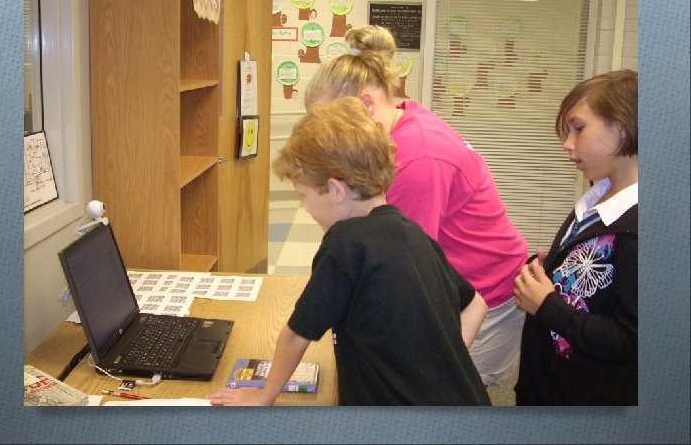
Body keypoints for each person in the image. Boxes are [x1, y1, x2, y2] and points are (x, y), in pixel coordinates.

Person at [207, 96, 491, 406]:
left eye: (304, 195)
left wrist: (264, 395)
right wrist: (439, 369)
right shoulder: (413, 233)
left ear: (336, 190)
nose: (307, 208)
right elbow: (476, 305)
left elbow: (296, 335)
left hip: (402, 424)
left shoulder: (345, 243)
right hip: (465, 409)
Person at [304, 24, 529, 387]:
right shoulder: (397, 120)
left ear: (365, 105)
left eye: (329, 124)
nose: (325, 138)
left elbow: (402, 271)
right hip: (463, 285)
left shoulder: (415, 157)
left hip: (486, 295)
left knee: (440, 393)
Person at [513, 69, 638, 405]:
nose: (567, 144)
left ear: (622, 126)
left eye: (579, 129)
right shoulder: (596, 201)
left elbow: (632, 340)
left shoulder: (639, 230)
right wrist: (546, 273)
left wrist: (546, 306)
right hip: (547, 385)